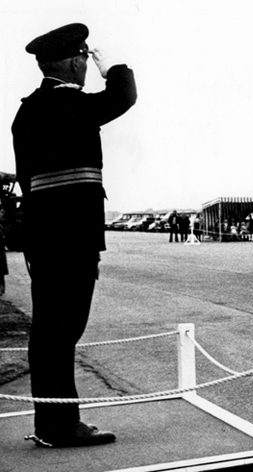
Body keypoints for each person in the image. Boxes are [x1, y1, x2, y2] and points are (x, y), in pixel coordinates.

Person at [13, 23, 136, 447]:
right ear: (73, 60)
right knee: (62, 331)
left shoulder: (27, 111)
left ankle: (52, 421)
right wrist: (114, 67)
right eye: (84, 57)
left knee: (50, 331)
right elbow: (123, 96)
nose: (87, 64)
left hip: (44, 241)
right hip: (72, 241)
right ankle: (60, 425)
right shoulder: (68, 104)